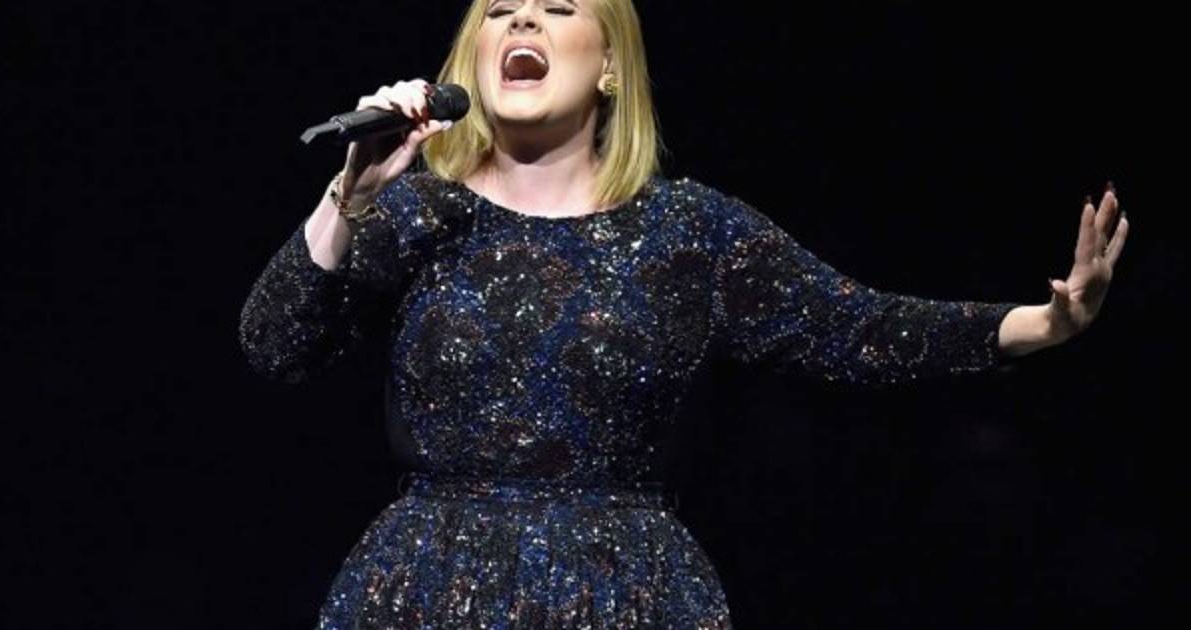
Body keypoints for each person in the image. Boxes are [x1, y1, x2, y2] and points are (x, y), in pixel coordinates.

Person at [238, 0, 1129, 627]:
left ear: (611, 65)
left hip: (623, 588)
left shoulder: (689, 230)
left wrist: (1042, 324)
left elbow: (853, 328)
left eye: (556, 8)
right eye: (500, 11)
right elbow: (274, 345)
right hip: (429, 583)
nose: (522, 23)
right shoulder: (416, 213)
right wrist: (349, 196)